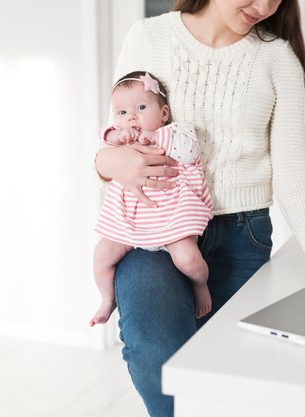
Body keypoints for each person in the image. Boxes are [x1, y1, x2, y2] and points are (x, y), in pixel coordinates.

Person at [94, 1, 305, 416]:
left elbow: (291, 165)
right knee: (156, 349)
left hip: (243, 233)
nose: (266, 6)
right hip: (156, 230)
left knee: (228, 376)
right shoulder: (150, 38)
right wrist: (105, 163)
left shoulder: (277, 58)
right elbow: (116, 136)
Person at [90, 71, 213, 327]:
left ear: (164, 114)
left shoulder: (176, 133)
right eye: (122, 112)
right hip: (129, 221)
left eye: (141, 108)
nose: (131, 117)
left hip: (172, 219)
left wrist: (158, 138)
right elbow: (101, 143)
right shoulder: (119, 141)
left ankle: (200, 285)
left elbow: (191, 152)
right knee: (101, 254)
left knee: (189, 259)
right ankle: (107, 298)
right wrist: (115, 137)